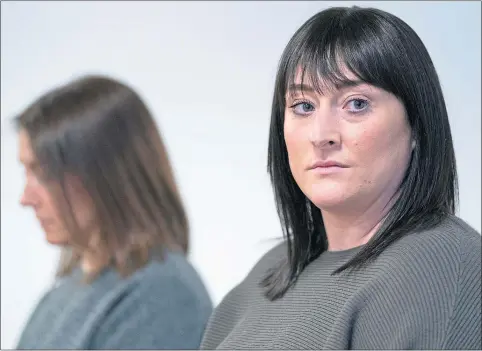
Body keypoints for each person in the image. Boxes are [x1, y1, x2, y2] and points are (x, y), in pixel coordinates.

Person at [201, 6, 481, 350]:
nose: (322, 135)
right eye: (303, 106)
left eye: (356, 104)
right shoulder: (270, 271)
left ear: (417, 127)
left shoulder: (439, 266)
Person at [15, 75, 213, 349]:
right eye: (25, 172)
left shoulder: (161, 297)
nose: (26, 198)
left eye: (44, 174)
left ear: (104, 173)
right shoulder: (62, 295)